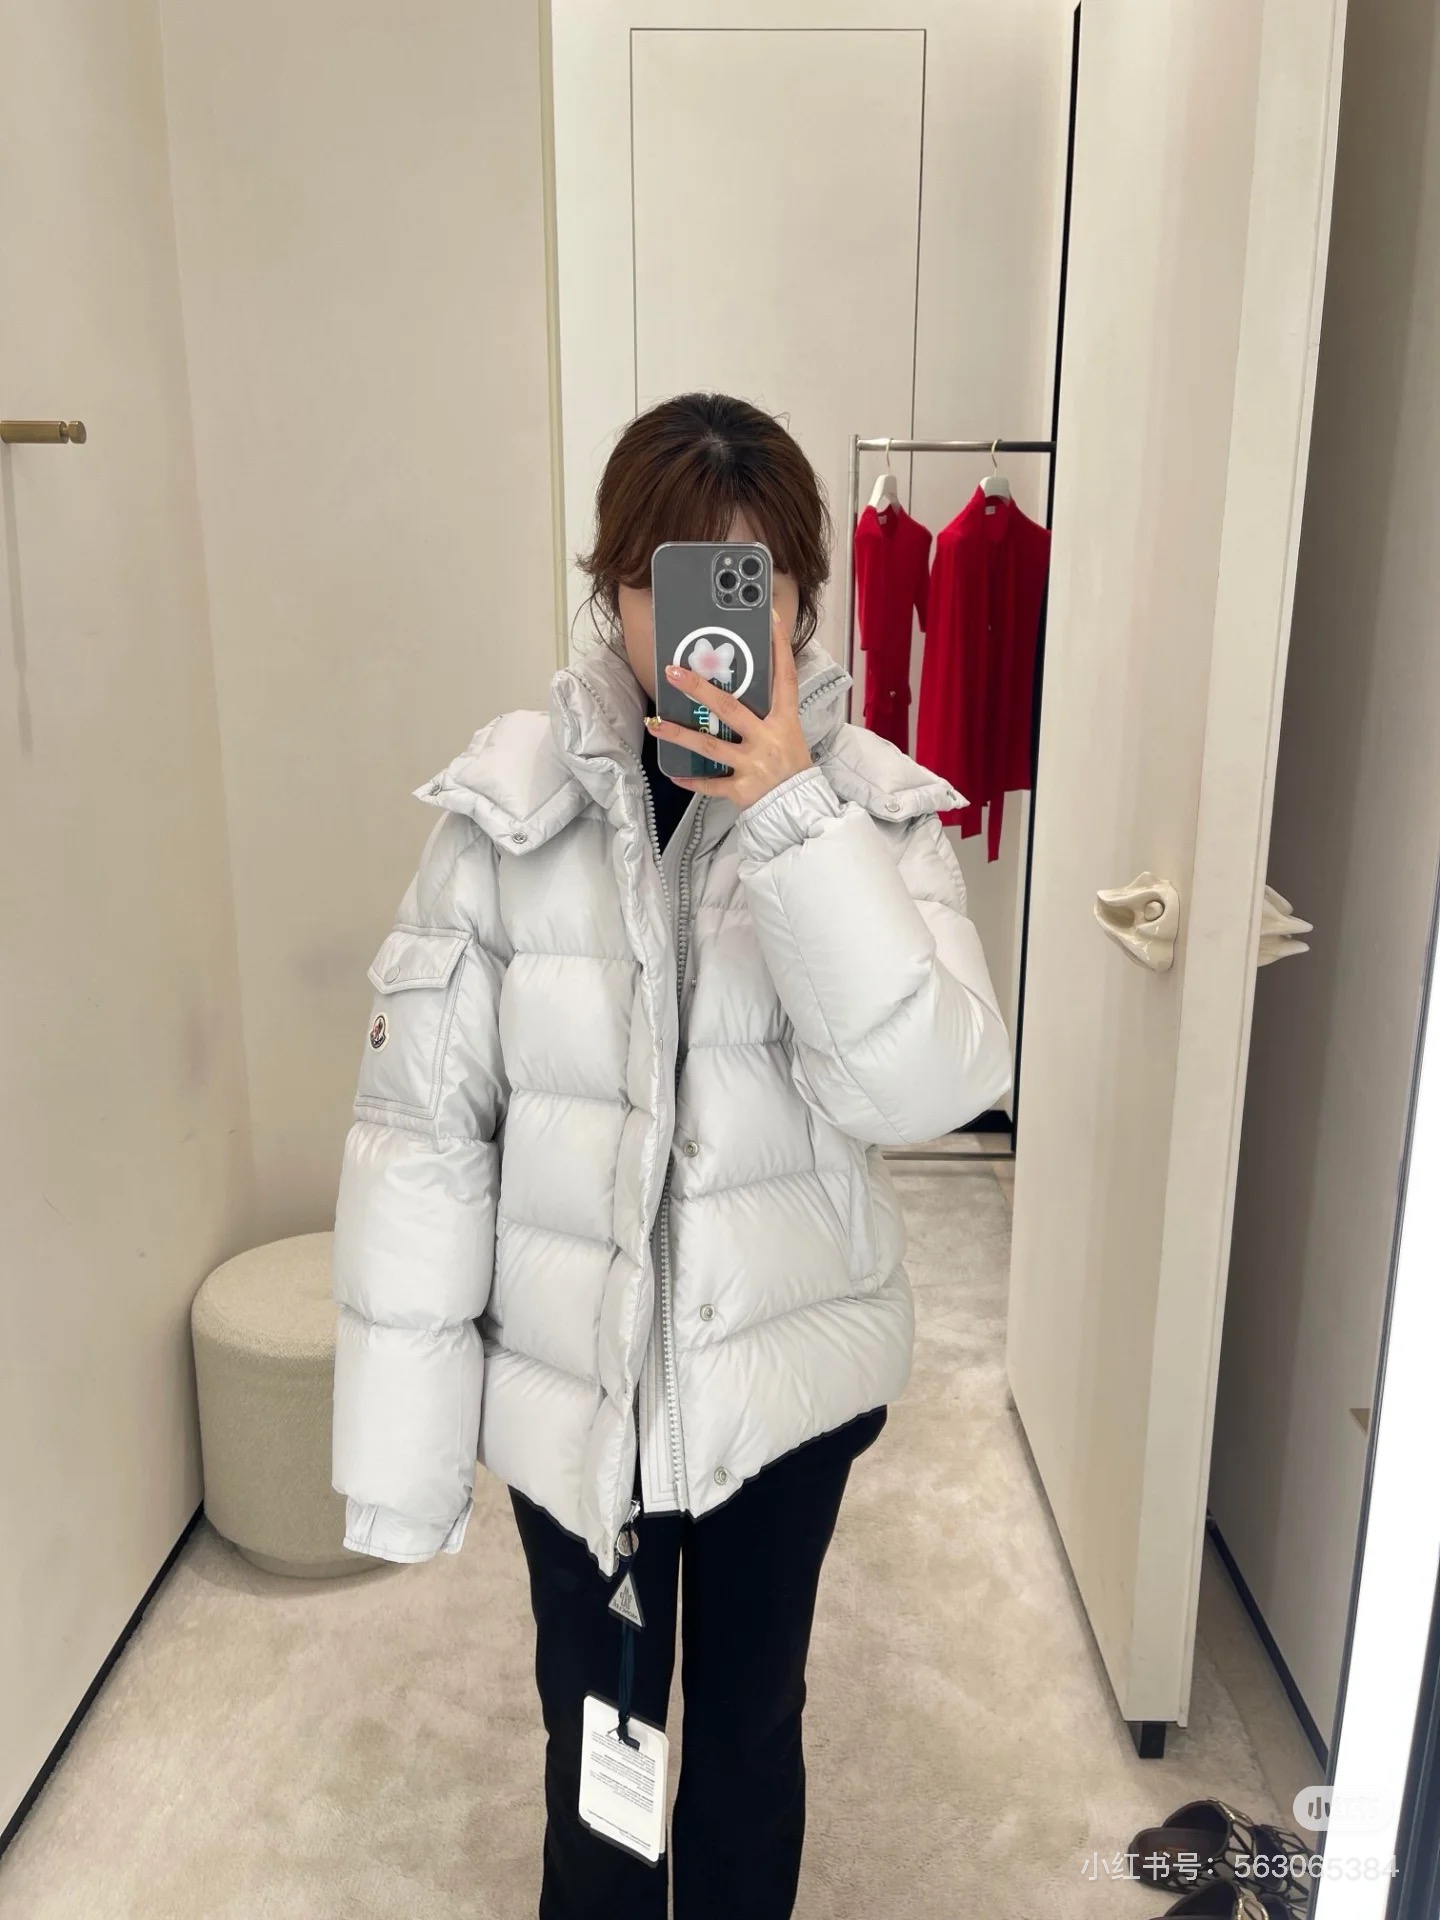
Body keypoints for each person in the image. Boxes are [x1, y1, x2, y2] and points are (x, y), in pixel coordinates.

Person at [329, 391, 1012, 1918]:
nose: (704, 622)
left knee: (753, 1737)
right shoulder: (510, 811)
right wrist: (403, 1461)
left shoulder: (874, 810)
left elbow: (930, 1087)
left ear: (804, 599)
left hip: (785, 1391)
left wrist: (792, 819)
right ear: (613, 590)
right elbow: (424, 1135)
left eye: (749, 579)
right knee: (601, 1756)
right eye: (665, 580)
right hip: (583, 1398)